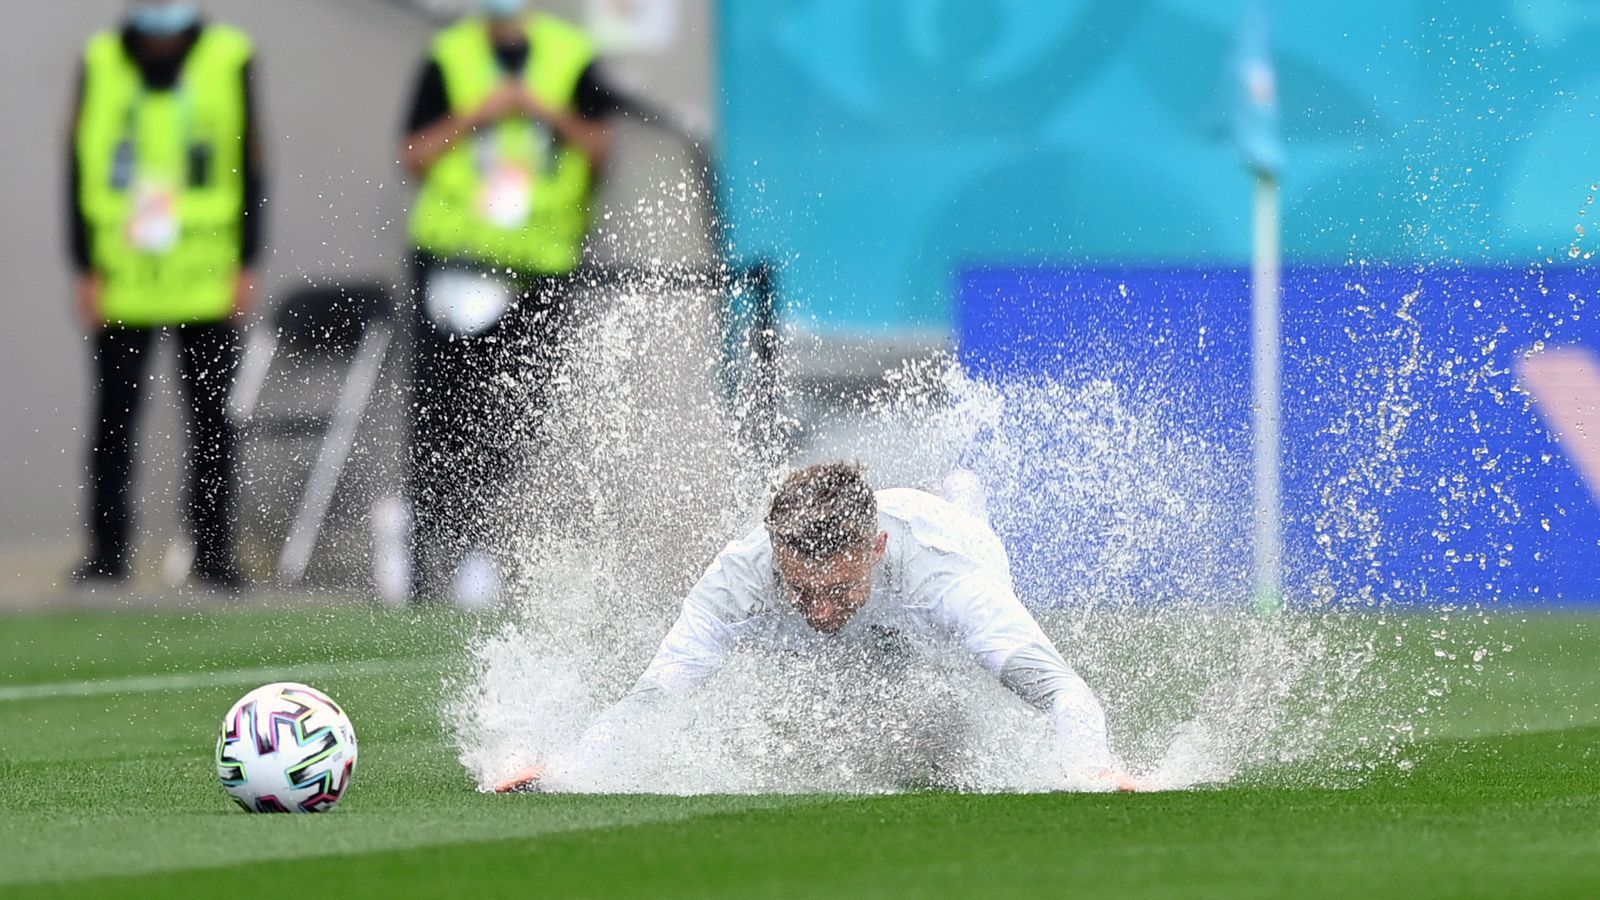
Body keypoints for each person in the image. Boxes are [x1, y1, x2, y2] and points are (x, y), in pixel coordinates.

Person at [493, 462, 1141, 793]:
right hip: (883, 585)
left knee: (948, 702)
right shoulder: (739, 579)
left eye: (838, 590)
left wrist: (1093, 772)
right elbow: (658, 692)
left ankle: (970, 500)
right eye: (801, 590)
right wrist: (568, 768)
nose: (823, 611)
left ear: (876, 548)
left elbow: (1061, 691)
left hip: (953, 555)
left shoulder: (949, 578)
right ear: (776, 555)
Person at [400, 0, 619, 602]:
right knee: (439, 418)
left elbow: (602, 150)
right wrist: (481, 114)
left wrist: (542, 111)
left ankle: (486, 552)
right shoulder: (451, 56)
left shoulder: (572, 57)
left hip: (536, 270)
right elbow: (413, 155)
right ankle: (422, 557)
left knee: (511, 421)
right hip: (454, 264)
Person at [67, 0, 263, 589]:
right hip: (125, 273)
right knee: (113, 420)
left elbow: (252, 166)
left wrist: (246, 262)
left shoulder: (230, 57)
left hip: (204, 272)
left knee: (211, 422)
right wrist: (85, 266)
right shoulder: (101, 61)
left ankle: (213, 553)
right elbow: (78, 166)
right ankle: (106, 553)